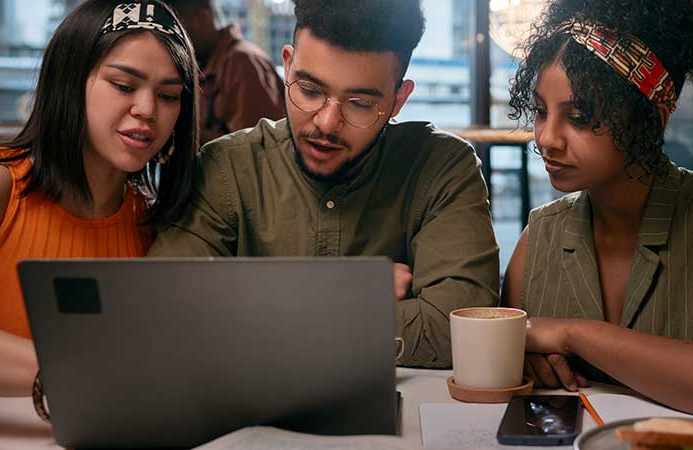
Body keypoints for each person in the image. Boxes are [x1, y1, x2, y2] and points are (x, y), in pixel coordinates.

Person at [502, 0, 693, 445]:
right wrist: (528, 363)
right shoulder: (539, 237)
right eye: (539, 111)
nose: (547, 138)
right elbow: (518, 363)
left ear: (652, 114)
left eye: (579, 117)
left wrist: (573, 334)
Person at [149, 0, 500, 368]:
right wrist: (348, 291)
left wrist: (258, 309)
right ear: (286, 66)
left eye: (360, 103)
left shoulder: (443, 169)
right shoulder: (225, 168)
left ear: (399, 100)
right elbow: (168, 311)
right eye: (310, 91)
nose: (327, 123)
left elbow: (456, 332)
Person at [0, 0, 199, 397]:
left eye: (169, 96)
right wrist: (68, 374)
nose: (147, 109)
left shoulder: (155, 229)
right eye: (123, 85)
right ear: (70, 81)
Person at [163, 0, 285, 142]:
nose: (175, 40)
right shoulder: (204, 63)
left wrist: (182, 136)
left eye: (180, 31)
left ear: (202, 18)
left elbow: (256, 146)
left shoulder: (243, 62)